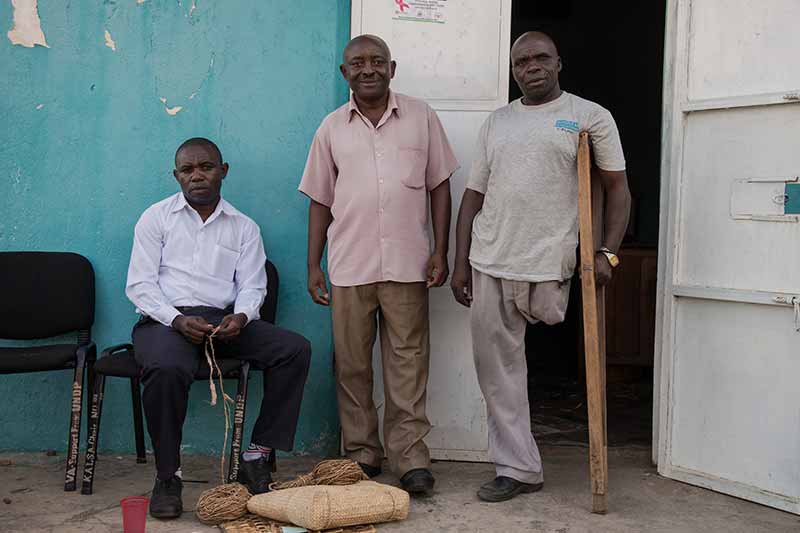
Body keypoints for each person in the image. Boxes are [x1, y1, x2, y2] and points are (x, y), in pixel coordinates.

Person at [451, 31, 631, 503]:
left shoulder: (587, 116)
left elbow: (617, 188)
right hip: (491, 256)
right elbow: (474, 195)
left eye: (539, 58)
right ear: (513, 70)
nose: (530, 67)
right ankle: (518, 468)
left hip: (552, 259)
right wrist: (460, 262)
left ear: (558, 63)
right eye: (520, 61)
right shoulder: (497, 122)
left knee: (546, 347)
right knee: (498, 369)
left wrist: (608, 252)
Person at [299, 35, 458, 495]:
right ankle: (361, 454)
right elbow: (319, 200)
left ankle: (410, 458)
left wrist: (440, 250)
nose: (367, 69)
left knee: (408, 363)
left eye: (376, 62)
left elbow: (440, 186)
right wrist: (314, 265)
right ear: (343, 73)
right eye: (357, 63)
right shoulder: (331, 128)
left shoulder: (421, 117)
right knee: (351, 365)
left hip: (409, 263)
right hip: (349, 264)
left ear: (392, 67)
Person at [125, 137, 311, 519]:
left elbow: (253, 286)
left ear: (223, 171)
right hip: (166, 321)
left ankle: (256, 456)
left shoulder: (243, 227)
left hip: (222, 321)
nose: (197, 176)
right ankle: (167, 476)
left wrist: (241, 317)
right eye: (187, 170)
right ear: (176, 176)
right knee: (165, 368)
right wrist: (176, 319)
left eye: (206, 167)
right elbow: (140, 286)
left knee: (294, 349)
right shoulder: (155, 218)